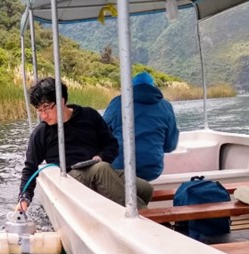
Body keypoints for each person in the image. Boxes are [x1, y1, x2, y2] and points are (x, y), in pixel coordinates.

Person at [16, 77, 153, 212]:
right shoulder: (41, 133)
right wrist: (24, 198)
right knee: (102, 170)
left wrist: (101, 156)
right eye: (39, 110)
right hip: (70, 178)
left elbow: (111, 145)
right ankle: (150, 222)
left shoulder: (89, 116)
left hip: (96, 168)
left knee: (145, 188)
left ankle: (118, 214)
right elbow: (30, 168)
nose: (43, 116)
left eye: (46, 108)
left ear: (61, 101)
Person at [103, 72, 179, 181]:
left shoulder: (118, 103)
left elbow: (102, 133)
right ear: (153, 87)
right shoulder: (166, 106)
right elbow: (170, 145)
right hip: (152, 169)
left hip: (121, 166)